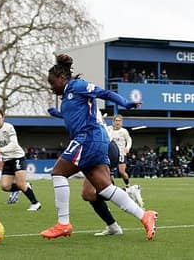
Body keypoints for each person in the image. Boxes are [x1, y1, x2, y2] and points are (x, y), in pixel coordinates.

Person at [41, 54, 157, 241]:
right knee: (103, 189)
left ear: (62, 78)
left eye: (52, 83)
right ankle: (145, 216)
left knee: (58, 172)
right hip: (94, 140)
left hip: (89, 138)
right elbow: (75, 116)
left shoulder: (78, 86)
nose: (51, 87)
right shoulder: (69, 97)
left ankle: (63, 224)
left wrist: (125, 103)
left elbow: (105, 93)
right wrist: (57, 114)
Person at [0, 107, 42, 211]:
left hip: (17, 157)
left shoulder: (9, 127)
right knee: (5, 186)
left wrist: (2, 150)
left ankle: (35, 203)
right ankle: (26, 186)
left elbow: (14, 144)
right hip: (7, 160)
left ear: (3, 117)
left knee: (20, 183)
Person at [106, 113, 143, 206]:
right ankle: (114, 190)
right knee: (109, 173)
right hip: (111, 154)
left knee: (122, 171)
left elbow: (129, 139)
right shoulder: (109, 129)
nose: (117, 122)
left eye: (119, 121)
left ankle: (128, 186)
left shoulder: (124, 131)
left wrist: (128, 147)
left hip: (121, 153)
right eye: (116, 121)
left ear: (121, 122)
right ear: (113, 121)